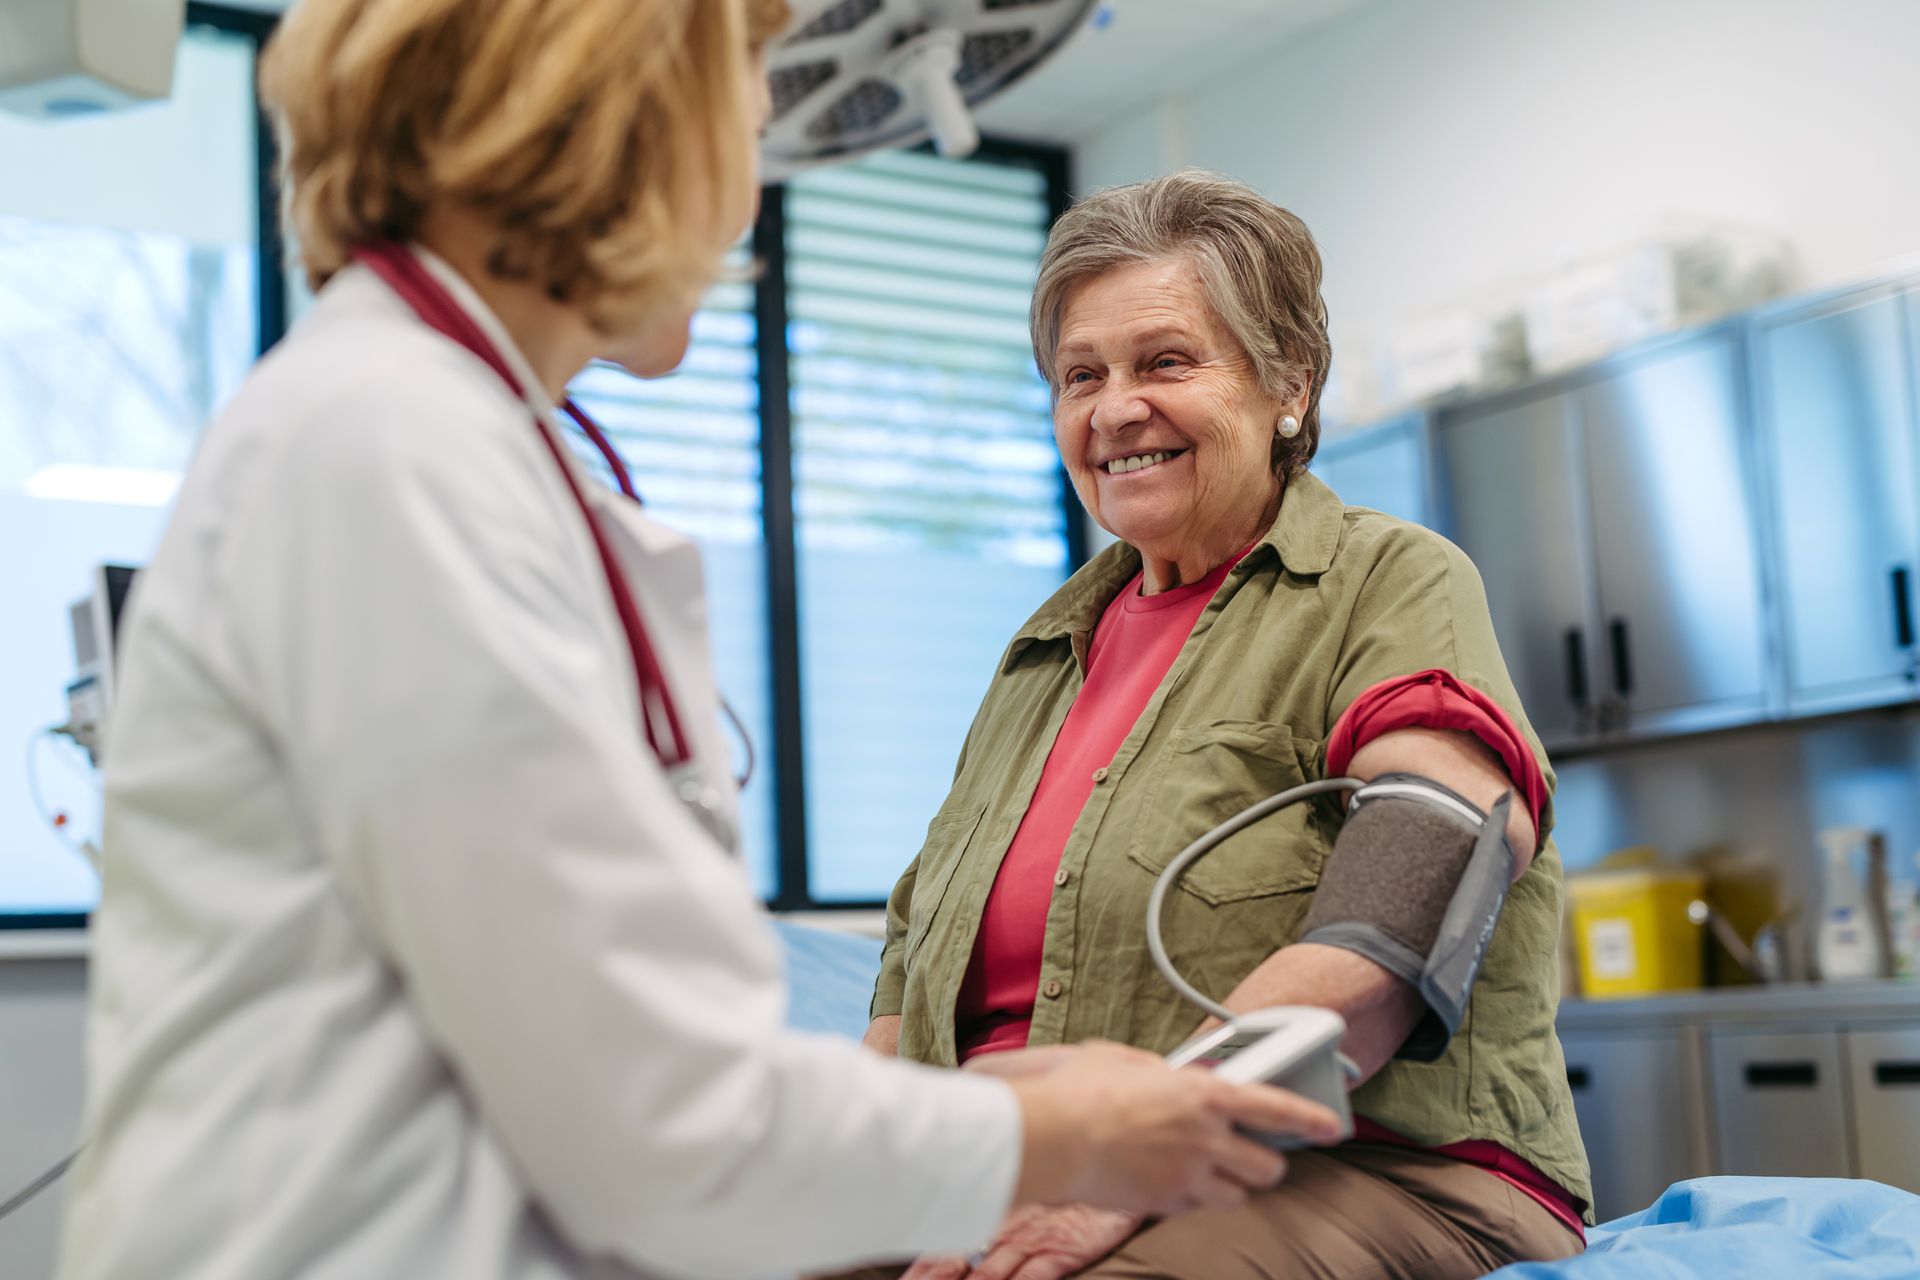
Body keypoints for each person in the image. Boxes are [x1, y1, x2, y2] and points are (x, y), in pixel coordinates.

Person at [51, 10, 1343, 1279]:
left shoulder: (451, 440)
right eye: (746, 85)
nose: (764, 136)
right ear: (619, 115)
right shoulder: (392, 451)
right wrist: (1062, 1131)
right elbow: (655, 1112)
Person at [850, 171, 1592, 1280]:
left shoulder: (1385, 581)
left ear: (1287, 381)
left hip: (1367, 1163)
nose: (1114, 410)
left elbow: (1409, 896)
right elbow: (909, 994)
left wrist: (1123, 1163)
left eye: (1165, 362)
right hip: (1016, 1167)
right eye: (1080, 375)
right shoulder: (1040, 658)